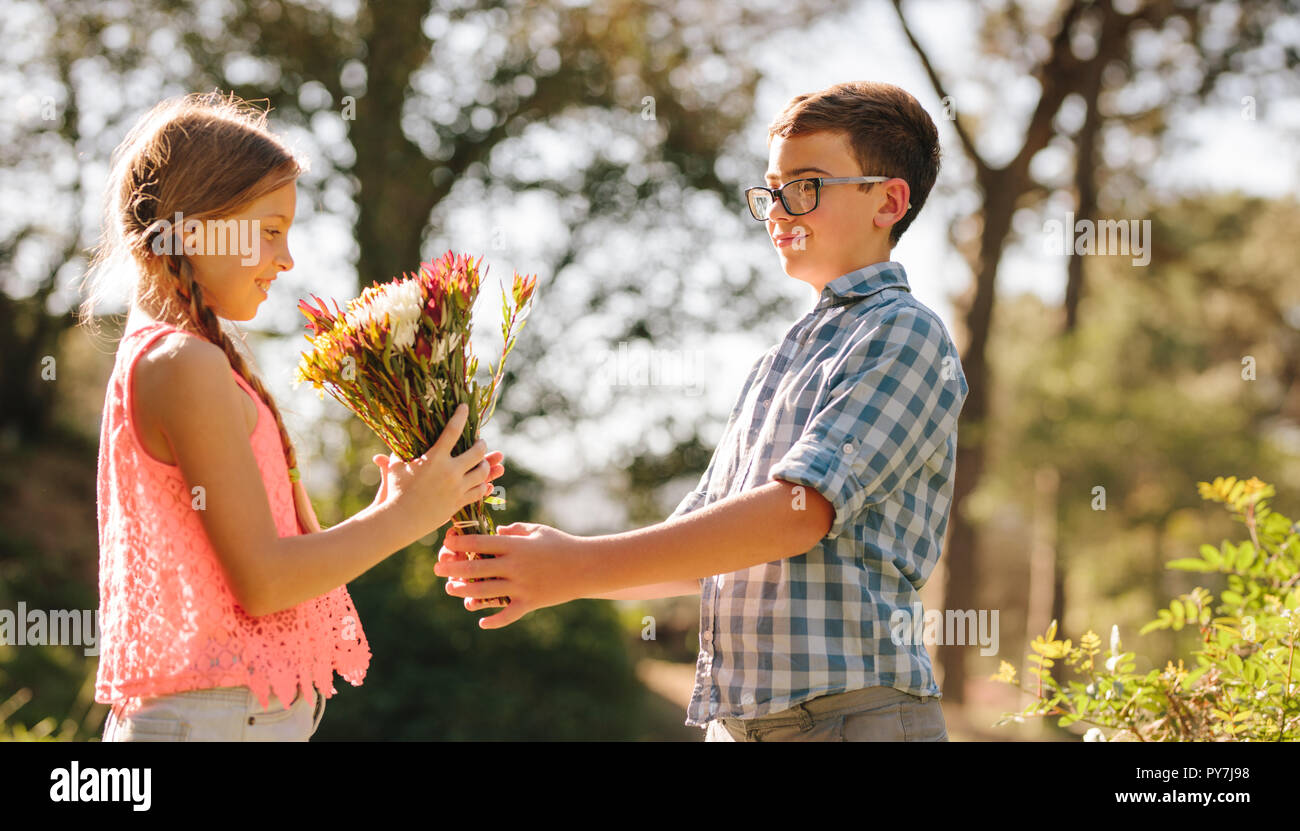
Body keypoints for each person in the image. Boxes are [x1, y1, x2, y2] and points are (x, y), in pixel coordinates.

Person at [435, 81, 968, 741]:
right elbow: (703, 547)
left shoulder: (904, 333)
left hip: (852, 717)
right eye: (770, 189)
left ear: (888, 199)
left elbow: (798, 513)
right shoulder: (777, 360)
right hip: (740, 725)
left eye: (806, 185)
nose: (778, 209)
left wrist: (576, 563)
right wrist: (550, 570)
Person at [80, 91, 502, 741]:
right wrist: (404, 517)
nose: (287, 259)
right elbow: (265, 581)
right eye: (271, 230)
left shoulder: (181, 357)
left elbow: (264, 556)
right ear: (197, 227)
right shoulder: (185, 363)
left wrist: (392, 504)